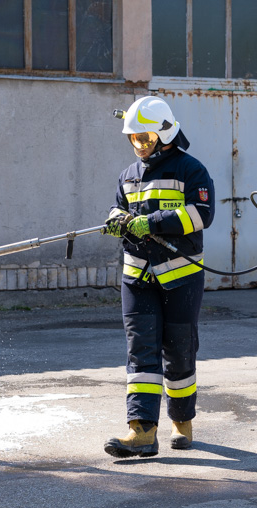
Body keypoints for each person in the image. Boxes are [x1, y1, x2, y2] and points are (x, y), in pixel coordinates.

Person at [101, 96, 215, 457]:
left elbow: (202, 215)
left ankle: (181, 422)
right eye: (134, 139)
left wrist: (150, 222)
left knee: (179, 353)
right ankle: (142, 431)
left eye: (145, 139)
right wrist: (116, 221)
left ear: (165, 134)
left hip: (180, 279)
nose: (139, 146)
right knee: (141, 352)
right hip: (138, 278)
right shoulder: (128, 175)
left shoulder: (191, 170)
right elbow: (119, 206)